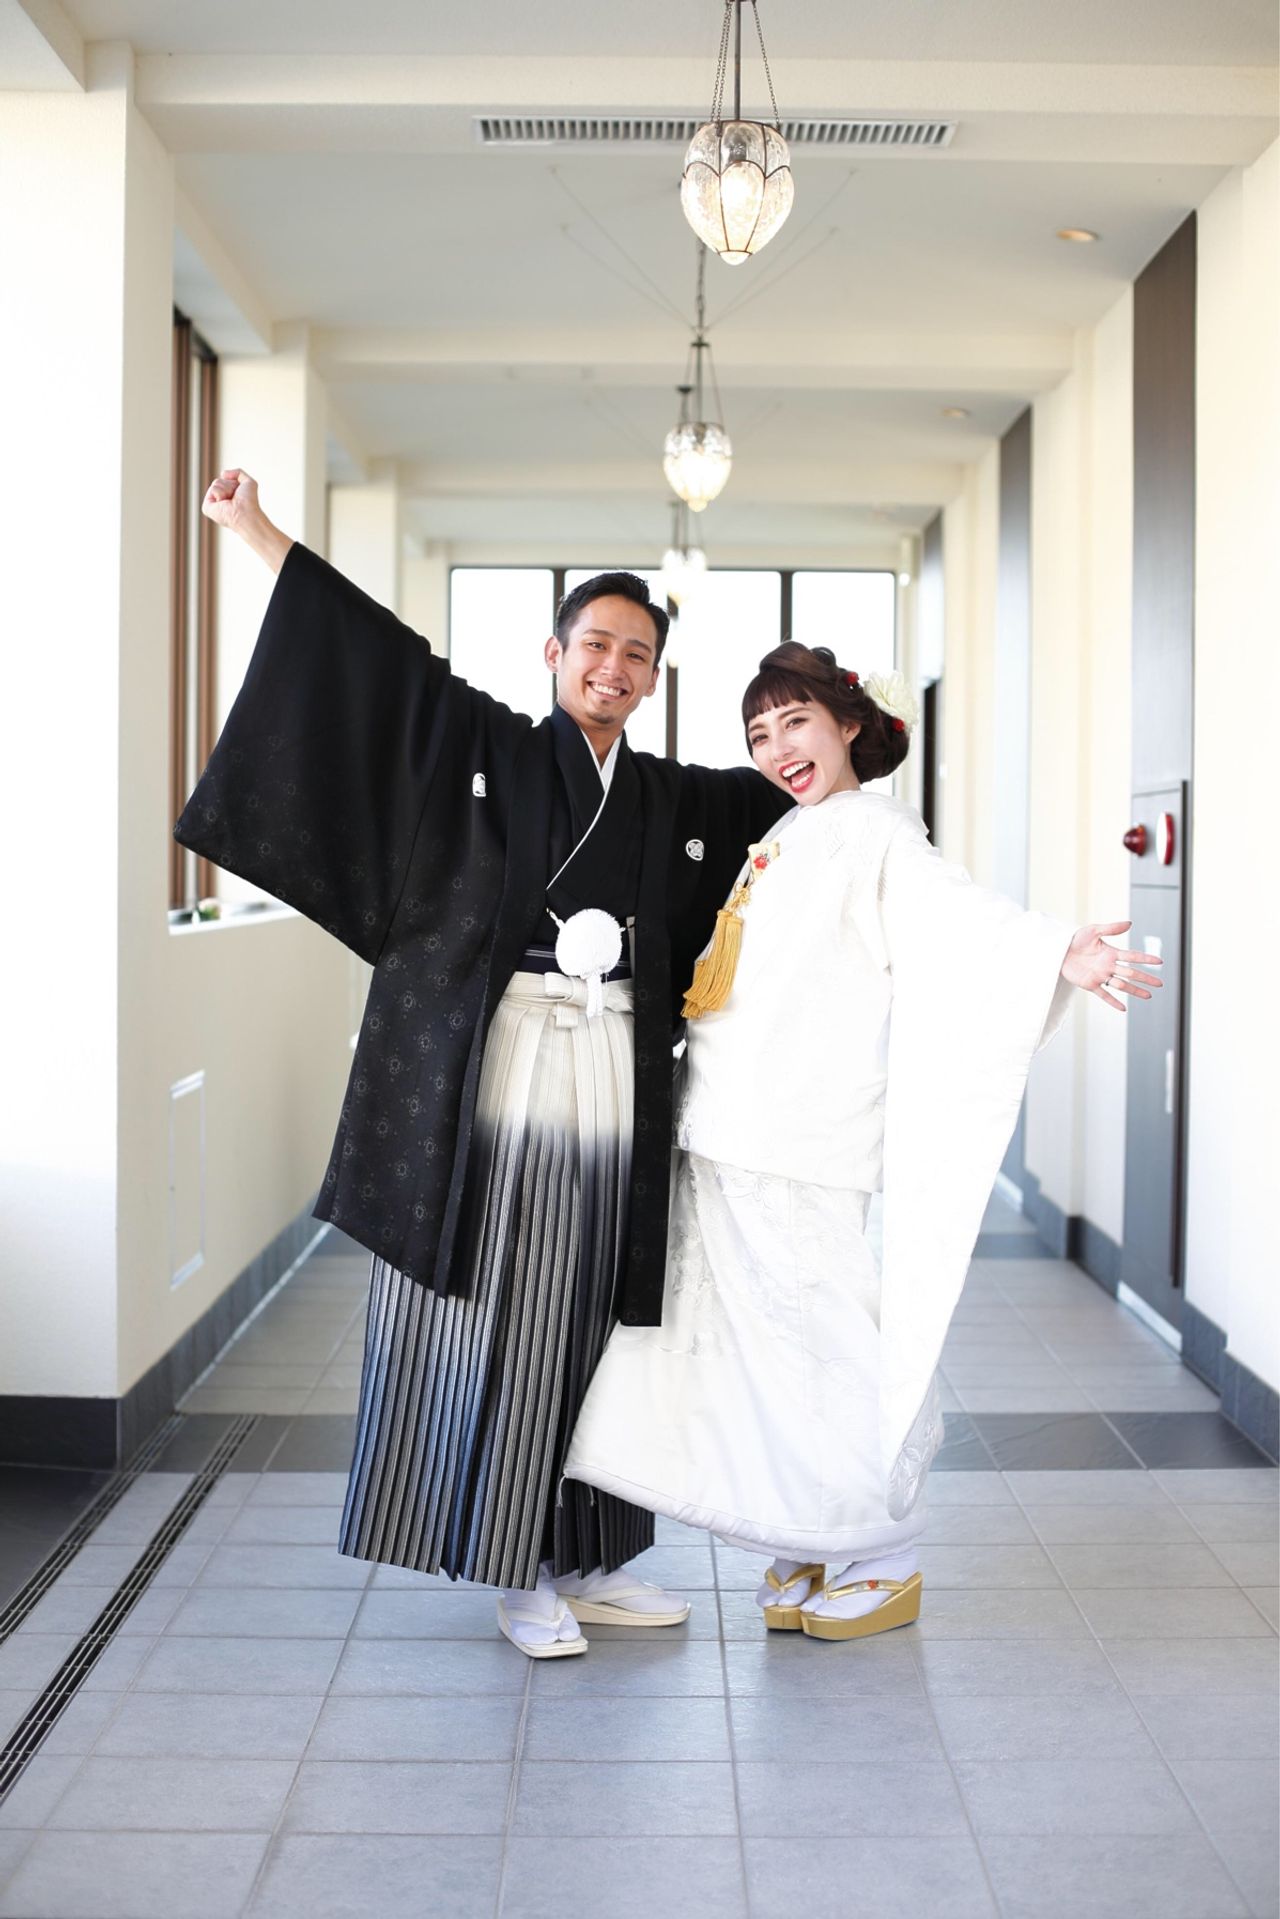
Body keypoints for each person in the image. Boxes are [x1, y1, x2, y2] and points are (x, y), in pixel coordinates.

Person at [175, 469, 789, 1657]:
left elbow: (789, 809)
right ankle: (514, 1565)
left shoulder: (671, 796)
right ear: (553, 653)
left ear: (654, 682)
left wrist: (840, 734)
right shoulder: (485, 744)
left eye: (637, 655)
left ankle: (589, 1553)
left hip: (616, 1070)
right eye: (595, 644)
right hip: (503, 1067)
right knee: (510, 1302)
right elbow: (374, 659)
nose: (613, 667)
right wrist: (253, 532)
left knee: (597, 1305)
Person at [566, 642, 1161, 1639]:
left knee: (822, 1339)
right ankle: (814, 1527)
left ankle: (881, 1547)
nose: (777, 747)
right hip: (731, 1124)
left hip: (801, 1133)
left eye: (794, 721)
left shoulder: (879, 831)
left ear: (847, 723)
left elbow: (952, 914)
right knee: (761, 1350)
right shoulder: (791, 831)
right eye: (759, 733)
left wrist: (1056, 947)